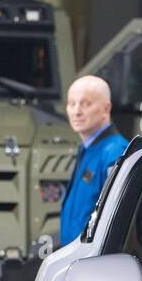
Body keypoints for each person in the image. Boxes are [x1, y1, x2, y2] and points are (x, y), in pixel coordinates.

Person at [58, 75, 127, 247]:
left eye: (86, 104)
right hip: (75, 257)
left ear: (106, 108)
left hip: (92, 261)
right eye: (71, 104)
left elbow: (117, 218)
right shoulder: (87, 149)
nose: (77, 111)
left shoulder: (115, 153)